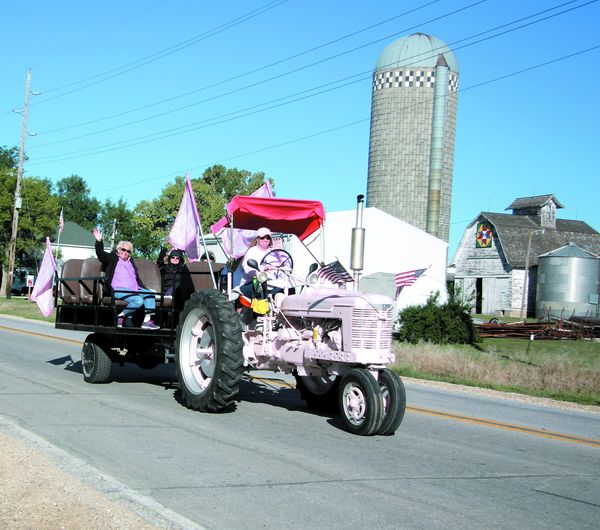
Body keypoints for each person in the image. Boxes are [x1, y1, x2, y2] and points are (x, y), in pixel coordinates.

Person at [92, 228, 160, 329]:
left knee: (149, 294)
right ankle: (121, 316)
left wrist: (145, 288)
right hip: (118, 289)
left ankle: (146, 321)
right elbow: (100, 254)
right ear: (118, 249)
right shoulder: (112, 258)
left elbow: (136, 278)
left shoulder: (130, 261)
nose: (125, 252)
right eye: (123, 250)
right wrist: (99, 241)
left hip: (134, 289)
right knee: (138, 300)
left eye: (128, 251)